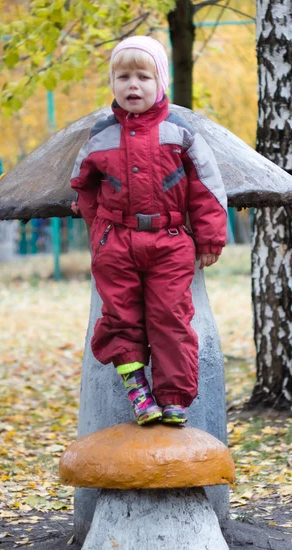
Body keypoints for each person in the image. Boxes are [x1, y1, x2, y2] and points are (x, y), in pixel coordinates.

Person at [70, 36, 227, 426]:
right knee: (120, 318)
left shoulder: (181, 134)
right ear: (112, 82)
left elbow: (207, 187)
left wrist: (209, 238)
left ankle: (173, 397)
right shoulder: (100, 136)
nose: (132, 86)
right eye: (123, 77)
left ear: (161, 83)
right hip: (116, 243)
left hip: (170, 242)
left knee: (170, 318)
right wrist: (98, 234)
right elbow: (82, 187)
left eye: (143, 76)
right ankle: (138, 389)